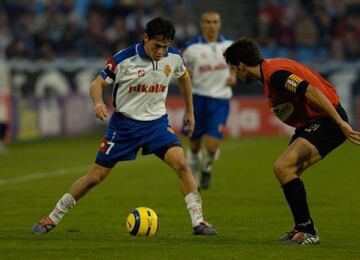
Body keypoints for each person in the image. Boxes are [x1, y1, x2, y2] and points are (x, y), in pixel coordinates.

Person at [32, 17, 217, 236]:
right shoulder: (124, 59)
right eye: (157, 45)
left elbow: (184, 77)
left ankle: (199, 222)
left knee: (182, 165)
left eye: (165, 47)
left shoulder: (174, 58)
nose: (161, 52)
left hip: (156, 124)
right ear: (145, 37)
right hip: (124, 127)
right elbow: (97, 83)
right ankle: (51, 218)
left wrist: (189, 111)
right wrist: (99, 102)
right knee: (94, 178)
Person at [223, 37, 360, 245]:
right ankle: (301, 226)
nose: (234, 74)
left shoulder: (276, 75)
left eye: (233, 69)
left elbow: (311, 91)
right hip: (313, 123)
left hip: (326, 121)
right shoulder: (270, 73)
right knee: (287, 171)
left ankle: (308, 230)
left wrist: (340, 123)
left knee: (283, 167)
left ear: (241, 65)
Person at [181, 11, 236, 190]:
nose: (212, 25)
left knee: (212, 147)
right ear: (201, 24)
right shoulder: (190, 48)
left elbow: (237, 65)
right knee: (195, 145)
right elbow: (180, 73)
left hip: (220, 100)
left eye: (215, 22)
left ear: (219, 24)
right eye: (208, 22)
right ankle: (194, 175)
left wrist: (234, 75)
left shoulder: (230, 45)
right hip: (197, 99)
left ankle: (206, 168)